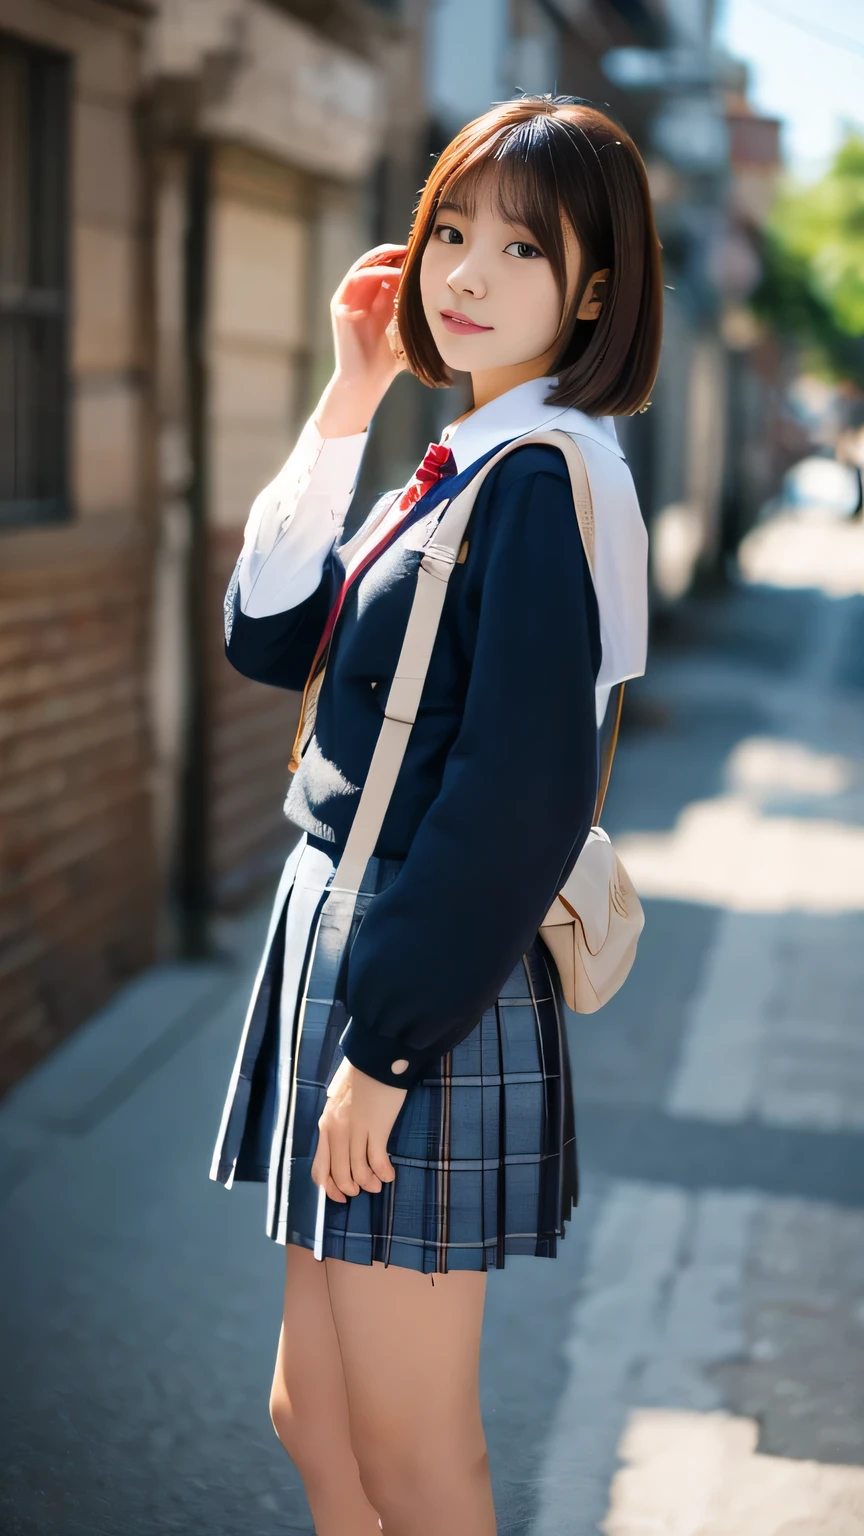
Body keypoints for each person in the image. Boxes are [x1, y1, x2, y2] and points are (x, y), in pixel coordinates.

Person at [210, 95, 662, 1536]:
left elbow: (519, 797)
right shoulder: (466, 461)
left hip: (420, 963)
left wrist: (392, 1045)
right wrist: (350, 394)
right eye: (450, 231)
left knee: (412, 1456)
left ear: (594, 289)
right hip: (357, 931)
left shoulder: (542, 477)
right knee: (316, 1419)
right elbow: (269, 635)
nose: (462, 275)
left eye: (520, 253)